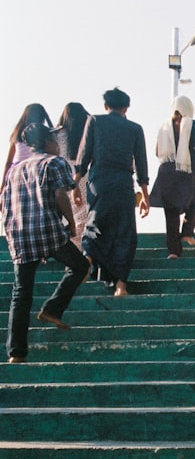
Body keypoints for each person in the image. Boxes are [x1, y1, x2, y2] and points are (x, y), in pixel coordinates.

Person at [1, 123, 90, 363]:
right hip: (47, 231)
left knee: (21, 293)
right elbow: (61, 194)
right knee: (80, 266)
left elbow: (6, 201)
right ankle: (52, 308)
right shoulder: (53, 163)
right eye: (55, 141)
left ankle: (16, 354)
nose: (58, 145)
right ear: (47, 143)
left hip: (19, 233)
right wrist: (71, 223)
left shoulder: (15, 169)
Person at [74, 87, 150, 296]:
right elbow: (141, 164)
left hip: (98, 181)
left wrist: (75, 184)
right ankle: (120, 286)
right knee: (124, 232)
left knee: (96, 224)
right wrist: (145, 194)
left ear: (105, 106)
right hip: (123, 183)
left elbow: (84, 156)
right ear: (126, 107)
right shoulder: (135, 129)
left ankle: (87, 259)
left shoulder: (95, 122)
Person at [149, 95, 195, 259]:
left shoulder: (164, 126)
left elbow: (157, 152)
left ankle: (174, 251)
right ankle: (187, 232)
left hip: (166, 172)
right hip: (187, 171)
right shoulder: (191, 124)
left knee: (171, 214)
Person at [56, 102, 91, 249]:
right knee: (83, 214)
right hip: (83, 176)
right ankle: (83, 250)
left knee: (66, 214)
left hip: (62, 176)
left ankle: (70, 251)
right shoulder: (87, 132)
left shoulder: (57, 134)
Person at [3, 103, 54, 190]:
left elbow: (8, 162)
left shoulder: (16, 132)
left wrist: (3, 185)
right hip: (35, 168)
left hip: (15, 169)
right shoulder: (44, 132)